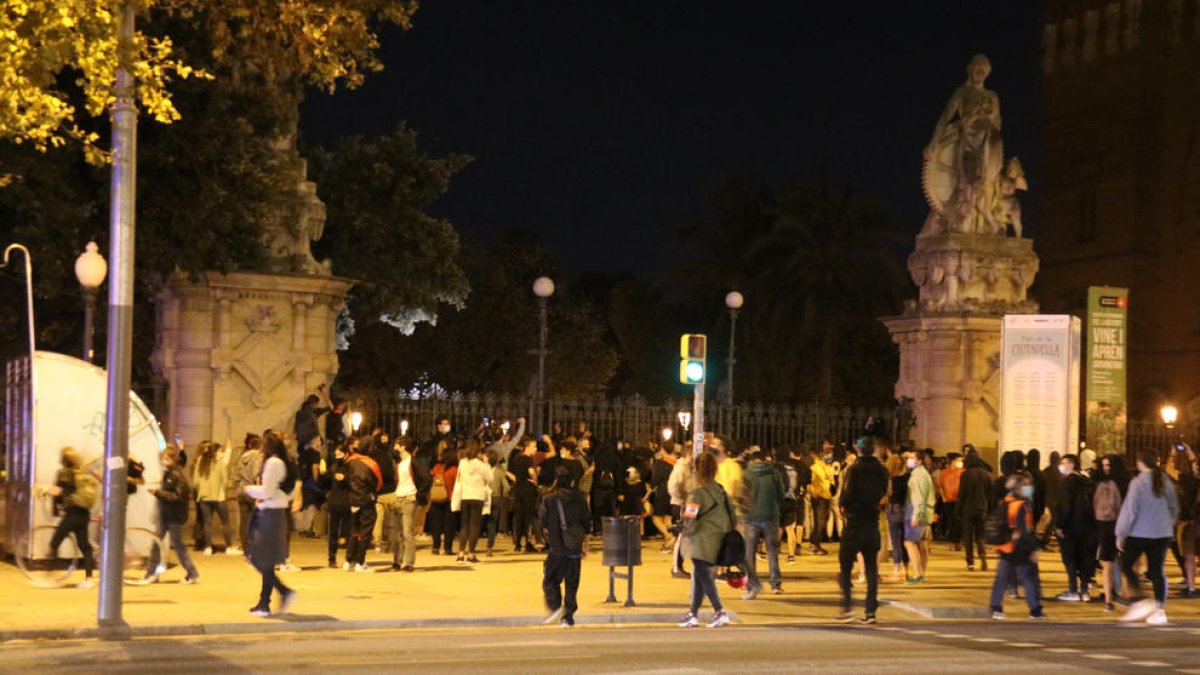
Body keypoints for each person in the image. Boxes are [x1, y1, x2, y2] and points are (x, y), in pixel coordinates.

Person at [1117, 450, 1180, 625]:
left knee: (1126, 565)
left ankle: (1140, 600)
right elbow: (1174, 507)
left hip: (1140, 532)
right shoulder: (1165, 480)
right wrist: (1168, 523)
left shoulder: (1137, 482)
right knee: (1157, 571)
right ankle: (1160, 610)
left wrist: (1121, 533)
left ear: (1140, 462)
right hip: (1162, 533)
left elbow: (1130, 511)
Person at [243, 433, 297, 617]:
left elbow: (266, 491)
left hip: (270, 514)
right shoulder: (283, 462)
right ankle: (265, 602)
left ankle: (280, 593)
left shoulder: (273, 463)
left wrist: (248, 489)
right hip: (274, 512)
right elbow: (288, 491)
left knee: (259, 559)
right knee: (265, 560)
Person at [837, 437, 889, 624]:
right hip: (871, 521)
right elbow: (884, 493)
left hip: (854, 522)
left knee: (845, 568)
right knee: (871, 569)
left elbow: (847, 494)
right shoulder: (882, 470)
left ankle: (847, 608)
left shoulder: (854, 469)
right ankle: (870, 611)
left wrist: (843, 504)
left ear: (858, 450)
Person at [678, 451, 733, 629]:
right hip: (719, 539)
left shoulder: (697, 493)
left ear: (697, 470)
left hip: (701, 541)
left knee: (705, 577)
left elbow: (689, 518)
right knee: (699, 576)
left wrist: (684, 531)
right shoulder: (721, 490)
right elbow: (732, 514)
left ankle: (720, 611)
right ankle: (692, 614)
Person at [988, 473, 1047, 620]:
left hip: (1007, 547)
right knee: (1029, 579)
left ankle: (996, 608)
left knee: (1001, 579)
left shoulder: (1007, 502)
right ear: (1018, 488)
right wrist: (1034, 548)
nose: (1030, 488)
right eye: (1026, 485)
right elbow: (1025, 530)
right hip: (1020, 547)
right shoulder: (1021, 505)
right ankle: (1035, 610)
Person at [539, 465, 591, 628]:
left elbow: (542, 521)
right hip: (575, 549)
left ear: (556, 481)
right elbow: (587, 524)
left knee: (550, 580)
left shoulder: (549, 499)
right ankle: (567, 618)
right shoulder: (581, 498)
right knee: (572, 584)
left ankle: (555, 607)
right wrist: (585, 546)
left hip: (557, 548)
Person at [148, 444, 200, 584]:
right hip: (165, 514)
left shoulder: (177, 475)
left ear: (173, 460)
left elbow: (179, 496)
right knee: (156, 543)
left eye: (166, 459)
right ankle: (151, 574)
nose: (163, 462)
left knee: (178, 545)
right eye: (162, 459)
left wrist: (158, 493)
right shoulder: (167, 474)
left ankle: (192, 573)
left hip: (174, 516)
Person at [47, 447, 99, 589]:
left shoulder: (64, 473)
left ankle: (50, 576)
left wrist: (45, 493)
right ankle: (89, 579)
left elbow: (57, 491)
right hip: (84, 514)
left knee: (54, 543)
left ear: (64, 460)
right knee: (85, 547)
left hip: (72, 515)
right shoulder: (81, 473)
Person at [741, 448, 786, 598]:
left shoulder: (746, 473)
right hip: (770, 516)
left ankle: (751, 585)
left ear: (752, 460)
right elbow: (781, 495)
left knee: (749, 552)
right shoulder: (774, 472)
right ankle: (775, 584)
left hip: (751, 517)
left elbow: (742, 495)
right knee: (772, 551)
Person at [1055, 453, 1097, 601]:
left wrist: (1059, 525)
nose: (1061, 466)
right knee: (1084, 558)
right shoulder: (1087, 481)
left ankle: (1073, 589)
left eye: (1063, 463)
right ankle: (1085, 591)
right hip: (1087, 527)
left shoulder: (1067, 483)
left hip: (1070, 527)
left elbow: (1065, 506)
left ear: (1071, 465)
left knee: (1070, 558)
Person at [1093, 453, 1130, 611]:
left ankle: (1112, 597)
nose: (1105, 468)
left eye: (1108, 465)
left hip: (1109, 525)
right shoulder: (1124, 482)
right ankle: (1114, 596)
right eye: (1103, 465)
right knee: (1115, 563)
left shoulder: (1105, 483)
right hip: (1113, 525)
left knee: (1111, 563)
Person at [192, 441, 235, 555]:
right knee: (225, 522)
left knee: (207, 523)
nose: (221, 454)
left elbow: (195, 482)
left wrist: (202, 490)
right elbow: (225, 482)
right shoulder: (220, 464)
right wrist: (227, 489)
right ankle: (229, 547)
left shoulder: (200, 463)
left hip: (204, 497)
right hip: (219, 497)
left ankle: (208, 547)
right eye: (220, 451)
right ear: (215, 452)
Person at [345, 440, 382, 572]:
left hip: (353, 499)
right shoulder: (370, 464)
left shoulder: (351, 461)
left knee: (354, 530)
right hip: (366, 500)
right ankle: (360, 562)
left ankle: (349, 560)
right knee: (365, 532)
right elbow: (377, 483)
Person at [453, 439, 491, 564]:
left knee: (464, 525)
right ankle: (471, 555)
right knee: (474, 525)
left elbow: (459, 477)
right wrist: (486, 462)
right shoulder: (480, 464)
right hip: (477, 496)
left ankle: (460, 554)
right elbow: (490, 477)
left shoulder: (462, 462)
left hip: (465, 495)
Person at [904, 450, 936, 583]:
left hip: (917, 512)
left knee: (910, 542)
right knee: (922, 543)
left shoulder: (918, 475)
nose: (909, 460)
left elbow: (919, 497)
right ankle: (921, 573)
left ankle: (918, 574)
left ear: (919, 460)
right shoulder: (923, 474)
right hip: (924, 512)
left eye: (912, 458)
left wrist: (916, 515)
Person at [391, 438, 422, 571]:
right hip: (398, 497)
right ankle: (397, 561)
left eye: (396, 445)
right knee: (396, 534)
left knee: (407, 532)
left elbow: (426, 479)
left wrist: (417, 495)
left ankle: (409, 563)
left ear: (403, 447)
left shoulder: (413, 461)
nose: (394, 447)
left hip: (409, 499)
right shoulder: (399, 463)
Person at [958, 452, 993, 571]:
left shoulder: (965, 475)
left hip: (968, 509)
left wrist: (958, 510)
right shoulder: (987, 475)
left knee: (968, 536)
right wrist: (989, 509)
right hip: (982, 508)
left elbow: (961, 494)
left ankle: (970, 562)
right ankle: (982, 555)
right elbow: (990, 495)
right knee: (980, 535)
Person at [776, 446, 810, 565]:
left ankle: (774, 550)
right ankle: (791, 556)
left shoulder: (777, 468)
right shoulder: (795, 468)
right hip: (794, 499)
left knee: (779, 527)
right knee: (791, 528)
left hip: (780, 500)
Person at [667, 449, 696, 578]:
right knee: (682, 535)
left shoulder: (686, 468)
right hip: (682, 505)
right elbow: (673, 487)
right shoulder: (681, 468)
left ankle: (678, 566)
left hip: (687, 504)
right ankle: (676, 567)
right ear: (688, 455)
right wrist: (683, 499)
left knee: (685, 535)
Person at [322, 442, 352, 568]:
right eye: (336, 454)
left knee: (347, 531)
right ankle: (332, 558)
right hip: (334, 502)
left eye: (340, 454)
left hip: (347, 502)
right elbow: (325, 483)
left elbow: (354, 482)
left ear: (346, 454)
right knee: (333, 532)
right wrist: (323, 474)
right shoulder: (333, 467)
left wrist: (345, 479)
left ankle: (349, 559)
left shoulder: (350, 467)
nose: (337, 457)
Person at [235, 434, 265, 556]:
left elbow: (236, 474)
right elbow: (256, 474)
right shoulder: (257, 456)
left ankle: (246, 548)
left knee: (244, 521)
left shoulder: (242, 456)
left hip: (242, 489)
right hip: (253, 490)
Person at [508, 437, 539, 552]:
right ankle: (528, 542)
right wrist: (535, 480)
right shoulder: (528, 460)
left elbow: (510, 473)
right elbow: (532, 472)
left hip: (518, 489)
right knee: (528, 517)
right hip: (528, 491)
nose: (535, 449)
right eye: (533, 446)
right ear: (527, 447)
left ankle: (517, 543)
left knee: (518, 516)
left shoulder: (517, 458)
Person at [427, 444, 459, 556]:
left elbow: (430, 477)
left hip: (436, 498)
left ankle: (435, 547)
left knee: (436, 523)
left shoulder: (437, 468)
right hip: (449, 499)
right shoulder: (455, 470)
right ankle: (447, 548)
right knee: (449, 525)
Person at [884, 453, 910, 580]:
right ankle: (905, 569)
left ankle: (897, 569)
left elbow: (888, 495)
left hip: (894, 510)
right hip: (906, 510)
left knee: (895, 541)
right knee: (905, 541)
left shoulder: (891, 480)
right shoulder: (907, 478)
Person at [808, 439, 836, 556]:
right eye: (827, 454)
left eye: (831, 454)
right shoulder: (815, 467)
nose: (829, 456)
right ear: (821, 455)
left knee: (824, 521)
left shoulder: (829, 467)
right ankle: (815, 545)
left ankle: (814, 541)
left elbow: (830, 481)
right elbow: (812, 482)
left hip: (827, 497)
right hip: (819, 498)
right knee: (819, 522)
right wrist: (814, 492)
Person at [293, 385, 332, 453]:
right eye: (317, 404)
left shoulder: (306, 412)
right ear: (314, 404)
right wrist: (324, 393)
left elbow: (330, 408)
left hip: (305, 444)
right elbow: (331, 407)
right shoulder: (310, 413)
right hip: (308, 444)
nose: (317, 405)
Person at [937, 453, 964, 545]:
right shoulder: (944, 472)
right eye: (958, 460)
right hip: (948, 500)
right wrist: (943, 497)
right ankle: (953, 539)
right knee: (951, 519)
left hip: (960, 500)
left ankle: (958, 538)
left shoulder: (963, 471)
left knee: (959, 520)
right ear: (952, 461)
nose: (960, 462)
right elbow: (940, 486)